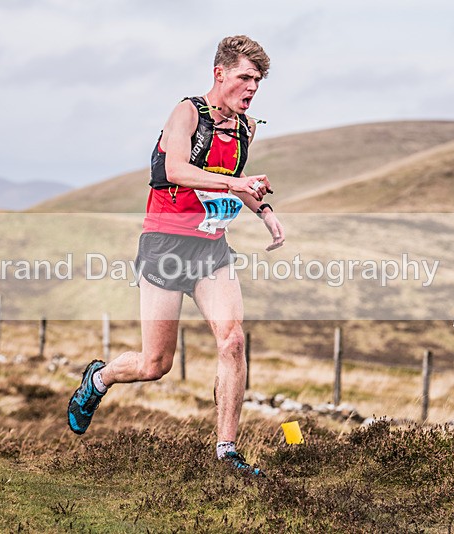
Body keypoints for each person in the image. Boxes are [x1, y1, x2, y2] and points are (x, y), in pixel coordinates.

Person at [67, 35, 285, 475]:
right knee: (155, 365)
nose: (252, 88)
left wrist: (264, 210)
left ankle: (227, 452)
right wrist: (234, 186)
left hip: (211, 250)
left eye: (257, 81)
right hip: (165, 247)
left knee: (233, 340)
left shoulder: (246, 127)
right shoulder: (186, 113)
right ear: (219, 74)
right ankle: (99, 378)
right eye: (245, 77)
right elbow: (176, 171)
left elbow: (232, 176)